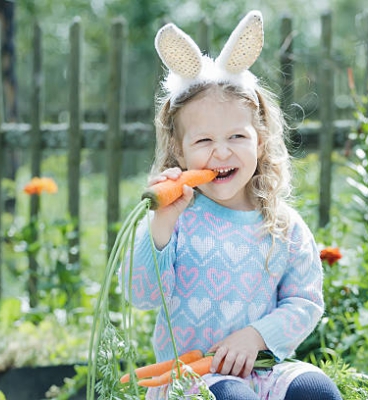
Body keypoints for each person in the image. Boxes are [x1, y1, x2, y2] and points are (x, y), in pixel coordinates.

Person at [122, 10, 342, 400]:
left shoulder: (281, 224)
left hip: (262, 368)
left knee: (315, 390)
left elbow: (305, 301)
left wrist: (256, 336)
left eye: (236, 136)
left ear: (259, 141)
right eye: (203, 141)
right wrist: (161, 226)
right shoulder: (176, 217)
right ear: (179, 150)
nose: (221, 152)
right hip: (190, 378)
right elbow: (141, 295)